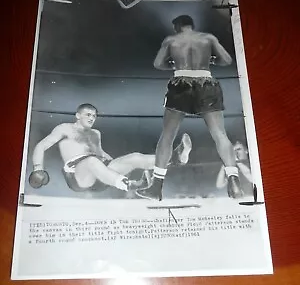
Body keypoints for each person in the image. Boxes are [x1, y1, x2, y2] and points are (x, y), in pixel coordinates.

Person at [137, 15, 243, 201]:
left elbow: (157, 64)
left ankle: (156, 187)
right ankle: (233, 180)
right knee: (220, 134)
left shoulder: (171, 40)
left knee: (167, 136)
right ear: (192, 25)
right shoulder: (208, 38)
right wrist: (209, 61)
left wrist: (173, 63)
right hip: (206, 82)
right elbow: (226, 60)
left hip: (180, 82)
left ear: (177, 26)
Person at [28, 103, 192, 194]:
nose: (92, 118)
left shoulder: (95, 133)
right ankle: (131, 185)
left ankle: (175, 159)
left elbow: (100, 154)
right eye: (88, 115)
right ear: (78, 115)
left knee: (134, 157)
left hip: (100, 172)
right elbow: (41, 145)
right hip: (78, 177)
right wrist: (38, 169)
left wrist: (119, 165)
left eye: (94, 115)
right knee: (91, 161)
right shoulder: (64, 128)